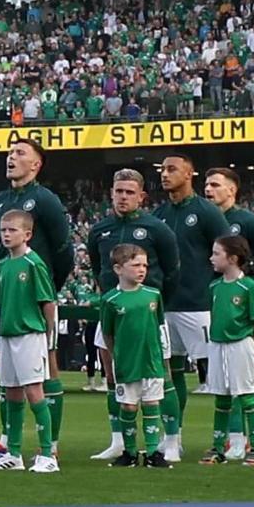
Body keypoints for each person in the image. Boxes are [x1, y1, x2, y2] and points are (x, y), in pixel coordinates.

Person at [0, 137, 75, 462]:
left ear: (36, 164)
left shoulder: (45, 200)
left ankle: (50, 444)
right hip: (5, 296)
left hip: (35, 297)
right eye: (10, 152)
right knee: (6, 373)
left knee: (47, 369)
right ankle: (8, 442)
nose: (11, 157)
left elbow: (64, 250)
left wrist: (47, 287)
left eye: (20, 153)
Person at [86, 170, 180, 460]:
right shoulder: (99, 230)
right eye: (118, 191)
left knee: (163, 377)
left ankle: (171, 441)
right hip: (114, 310)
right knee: (113, 375)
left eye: (129, 192)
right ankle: (119, 441)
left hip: (149, 314)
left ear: (141, 196)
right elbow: (97, 267)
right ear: (111, 193)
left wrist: (154, 302)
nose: (123, 196)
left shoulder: (156, 228)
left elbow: (172, 270)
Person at [153, 154, 230, 462]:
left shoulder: (206, 212)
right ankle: (173, 437)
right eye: (162, 170)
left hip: (198, 305)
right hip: (165, 304)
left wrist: (210, 288)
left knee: (221, 373)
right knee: (170, 374)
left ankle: (235, 438)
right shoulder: (159, 214)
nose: (164, 174)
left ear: (189, 174)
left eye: (172, 169)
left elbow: (228, 250)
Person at [0, 209, 59, 473]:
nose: (6, 234)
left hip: (30, 334)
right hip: (8, 334)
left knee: (34, 392)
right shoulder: (3, 266)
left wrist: (47, 338)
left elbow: (48, 302)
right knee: (12, 393)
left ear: (27, 234)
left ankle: (48, 453)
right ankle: (14, 453)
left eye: (12, 230)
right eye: (3, 230)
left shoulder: (34, 264)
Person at [99, 244, 167, 467]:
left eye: (145, 265)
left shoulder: (153, 295)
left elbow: (159, 326)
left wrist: (161, 356)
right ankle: (129, 452)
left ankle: (152, 452)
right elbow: (108, 333)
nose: (142, 269)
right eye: (136, 264)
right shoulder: (111, 300)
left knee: (151, 404)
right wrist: (116, 355)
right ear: (118, 268)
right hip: (127, 363)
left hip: (151, 361)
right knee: (128, 406)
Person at [204, 236, 254, 464]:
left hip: (241, 345)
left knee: (248, 396)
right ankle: (218, 447)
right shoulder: (215, 286)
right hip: (217, 345)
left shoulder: (248, 286)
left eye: (216, 253)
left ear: (233, 258)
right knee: (221, 397)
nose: (211, 258)